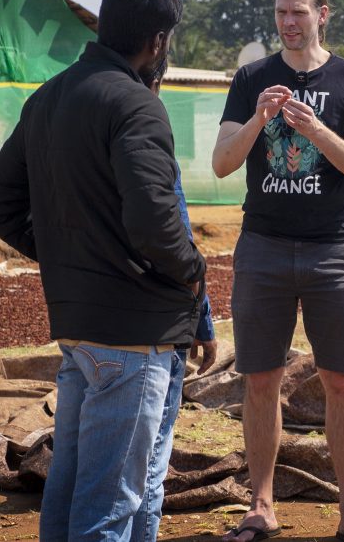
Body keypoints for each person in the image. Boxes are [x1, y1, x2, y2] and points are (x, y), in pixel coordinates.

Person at [0, 0, 207, 542]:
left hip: (80, 332)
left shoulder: (49, 97)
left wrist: (68, 255)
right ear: (158, 42)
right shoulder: (135, 105)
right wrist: (194, 276)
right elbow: (157, 222)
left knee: (82, 485)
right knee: (112, 502)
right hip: (134, 334)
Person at [211, 0, 344, 542]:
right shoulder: (252, 79)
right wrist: (259, 118)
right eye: (282, 12)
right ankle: (261, 506)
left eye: (300, 12)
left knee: (340, 379)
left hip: (332, 248)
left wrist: (316, 130)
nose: (289, 21)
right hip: (262, 247)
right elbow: (221, 164)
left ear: (323, 14)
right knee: (260, 380)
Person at [131, 60, 219, 542]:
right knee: (146, 461)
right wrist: (202, 323)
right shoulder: (146, 136)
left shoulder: (67, 120)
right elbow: (177, 237)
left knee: (89, 467)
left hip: (83, 324)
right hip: (153, 329)